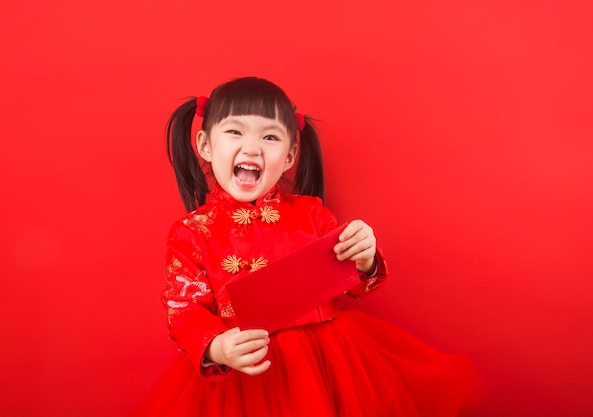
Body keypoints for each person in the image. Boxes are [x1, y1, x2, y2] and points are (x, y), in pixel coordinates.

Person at [132, 76, 482, 417]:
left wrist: (364, 256)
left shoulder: (312, 213)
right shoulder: (192, 232)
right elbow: (183, 308)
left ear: (289, 156)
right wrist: (215, 346)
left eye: (270, 137)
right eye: (235, 132)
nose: (252, 147)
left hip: (328, 366)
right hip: (246, 376)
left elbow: (356, 281)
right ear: (206, 145)